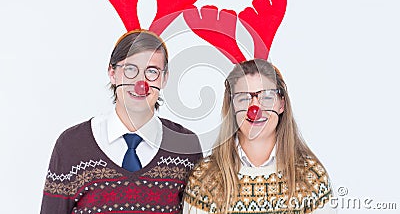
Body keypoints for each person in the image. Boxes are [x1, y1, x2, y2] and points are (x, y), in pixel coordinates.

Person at [40, 30, 202, 214]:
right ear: (112, 73)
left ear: (164, 78)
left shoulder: (186, 146)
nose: (141, 83)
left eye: (152, 71)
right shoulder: (71, 145)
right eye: (130, 69)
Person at [183, 59, 335, 213]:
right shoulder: (205, 178)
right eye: (243, 98)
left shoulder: (311, 177)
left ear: (281, 104)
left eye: (267, 97)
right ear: (232, 107)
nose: (255, 109)